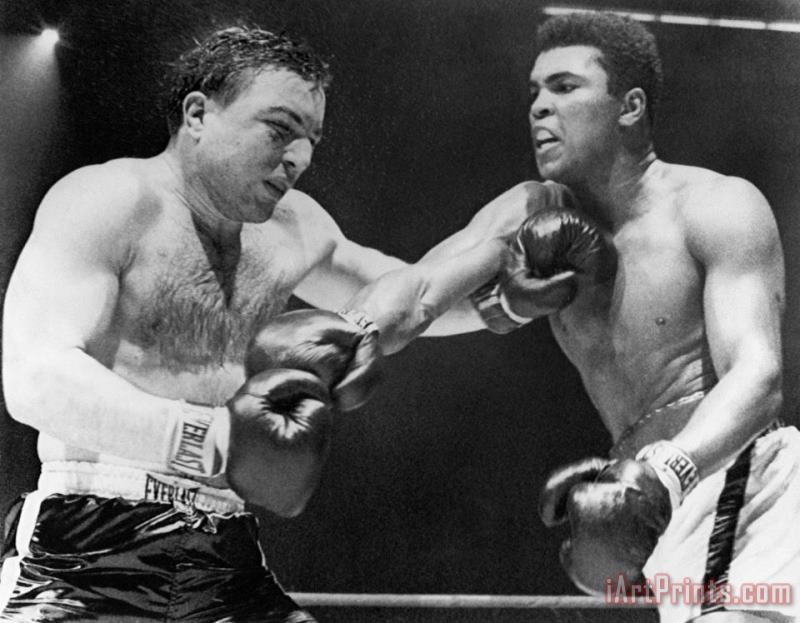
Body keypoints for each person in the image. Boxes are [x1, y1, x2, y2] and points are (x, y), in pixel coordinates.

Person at [0, 25, 573, 622]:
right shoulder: (111, 199)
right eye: (279, 129)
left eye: (310, 139)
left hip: (224, 553)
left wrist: (501, 304)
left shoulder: (292, 228)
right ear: (198, 114)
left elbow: (409, 296)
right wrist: (213, 439)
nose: (299, 157)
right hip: (87, 547)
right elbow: (35, 377)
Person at [286, 10, 800, 623]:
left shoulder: (716, 206)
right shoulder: (532, 211)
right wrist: (346, 338)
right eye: (534, 92)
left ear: (630, 107)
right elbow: (420, 289)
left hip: (740, 481)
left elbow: (758, 375)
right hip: (651, 502)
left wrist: (667, 468)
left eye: (564, 87)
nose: (539, 107)